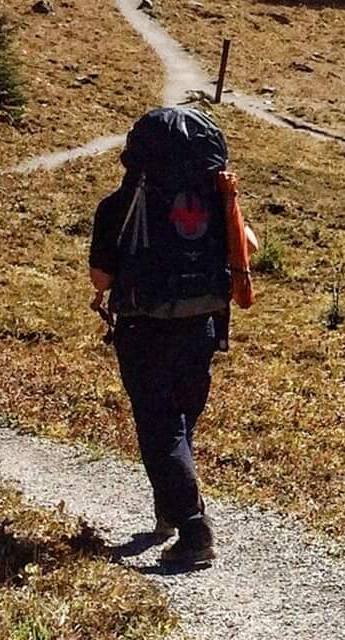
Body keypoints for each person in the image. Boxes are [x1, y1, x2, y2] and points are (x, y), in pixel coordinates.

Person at [88, 106, 255, 571]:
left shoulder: (117, 205)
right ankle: (170, 504)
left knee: (160, 427)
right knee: (180, 420)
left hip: (144, 327)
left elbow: (101, 277)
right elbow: (248, 245)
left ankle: (194, 527)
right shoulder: (216, 198)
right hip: (204, 324)